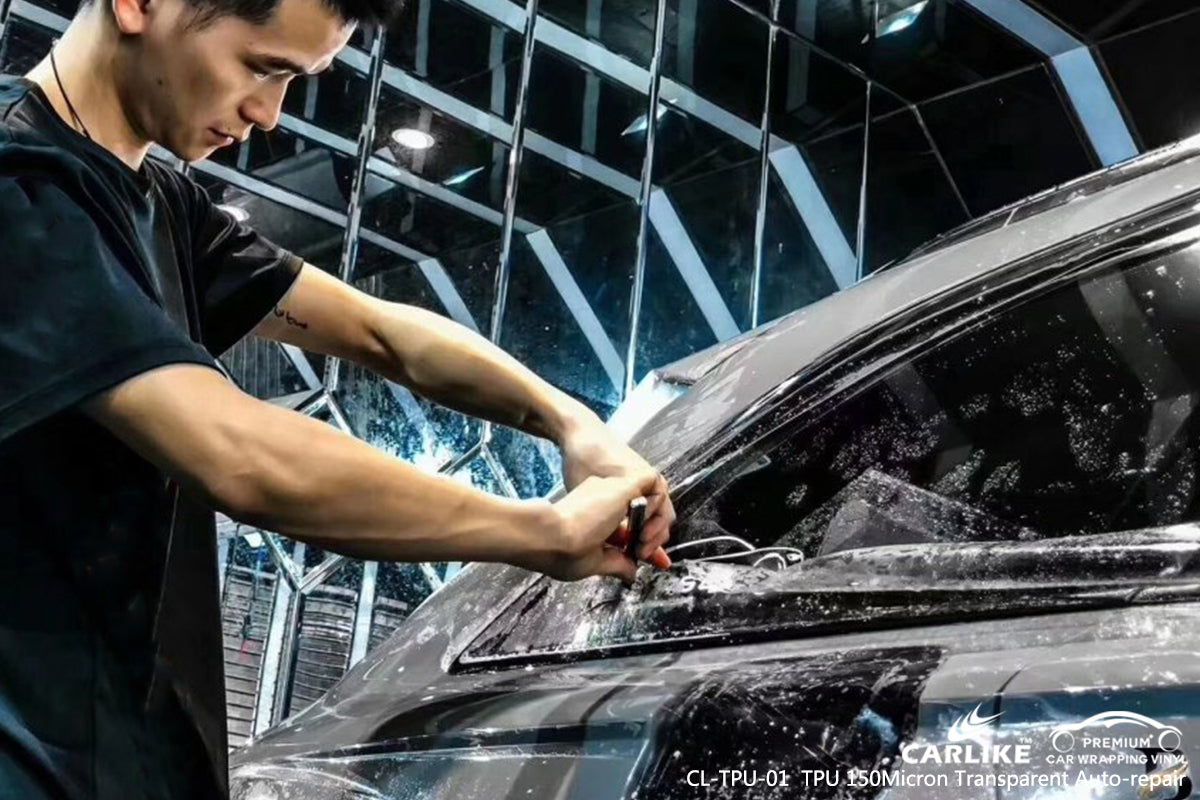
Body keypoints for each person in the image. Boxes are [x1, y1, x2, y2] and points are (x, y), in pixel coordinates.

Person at [0, 0, 675, 794]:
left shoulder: (162, 206)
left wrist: (571, 423)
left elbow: (383, 334)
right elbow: (239, 457)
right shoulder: (17, 186)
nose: (269, 113)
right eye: (261, 67)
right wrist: (540, 531)